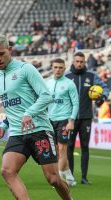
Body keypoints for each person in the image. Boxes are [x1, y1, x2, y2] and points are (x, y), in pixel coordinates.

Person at [0, 34, 79, 200]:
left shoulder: (25, 69)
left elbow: (46, 96)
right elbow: (12, 108)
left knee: (53, 179)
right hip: (17, 132)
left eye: (1, 54)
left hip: (39, 129)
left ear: (9, 50)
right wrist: (3, 127)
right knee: (7, 170)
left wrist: (30, 113)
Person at [66, 52, 109, 185]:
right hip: (70, 118)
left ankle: (84, 177)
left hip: (86, 117)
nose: (79, 64)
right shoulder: (67, 77)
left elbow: (105, 87)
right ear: (73, 62)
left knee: (85, 146)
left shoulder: (91, 76)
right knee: (69, 146)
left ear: (85, 62)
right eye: (77, 61)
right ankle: (70, 176)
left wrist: (102, 97)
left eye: (82, 62)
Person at [46, 58, 79, 186]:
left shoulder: (70, 84)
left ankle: (59, 178)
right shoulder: (47, 83)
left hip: (64, 119)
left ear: (64, 69)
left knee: (62, 148)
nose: (58, 70)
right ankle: (68, 174)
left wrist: (71, 121)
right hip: (50, 119)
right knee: (55, 150)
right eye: (55, 67)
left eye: (60, 67)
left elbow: (75, 103)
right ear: (52, 68)